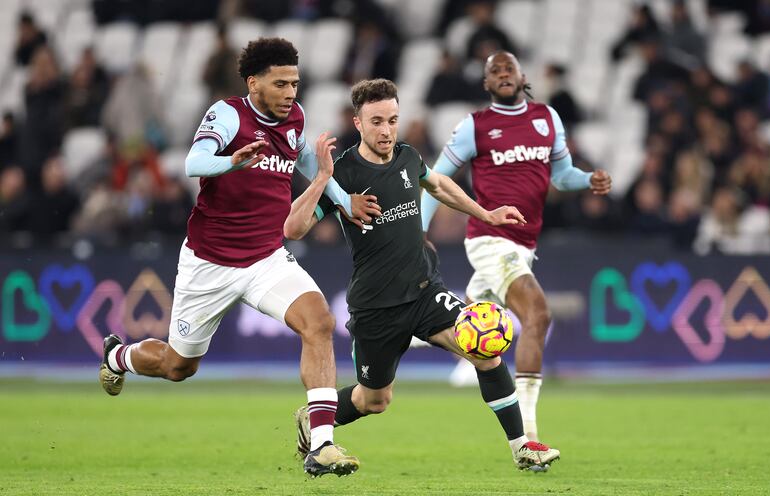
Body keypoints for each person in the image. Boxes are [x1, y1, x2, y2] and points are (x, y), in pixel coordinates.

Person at [98, 37, 381, 478]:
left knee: (319, 322)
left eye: (295, 83)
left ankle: (322, 445)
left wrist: (343, 199)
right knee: (178, 367)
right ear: (254, 82)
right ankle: (118, 357)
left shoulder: (296, 118)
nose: (291, 92)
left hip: (266, 257)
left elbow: (305, 157)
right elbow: (193, 162)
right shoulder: (229, 114)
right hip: (209, 262)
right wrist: (232, 161)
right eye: (281, 83)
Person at [285, 78, 559, 471]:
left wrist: (486, 214)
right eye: (376, 121)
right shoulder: (343, 173)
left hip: (426, 291)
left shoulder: (407, 156)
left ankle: (522, 447)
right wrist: (323, 178)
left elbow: (439, 185)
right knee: (374, 400)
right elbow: (293, 230)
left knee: (484, 349)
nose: (386, 130)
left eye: (392, 120)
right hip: (376, 306)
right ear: (358, 123)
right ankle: (313, 419)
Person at [419, 51, 612, 459]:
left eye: (509, 68)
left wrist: (586, 180)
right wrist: (417, 229)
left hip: (525, 246)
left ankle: (406, 332)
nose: (503, 74)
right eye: (494, 71)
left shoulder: (547, 118)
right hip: (490, 239)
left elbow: (561, 174)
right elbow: (435, 178)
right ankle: (528, 436)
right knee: (537, 315)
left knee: (467, 325)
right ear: (487, 84)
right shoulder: (476, 126)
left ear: (523, 76)